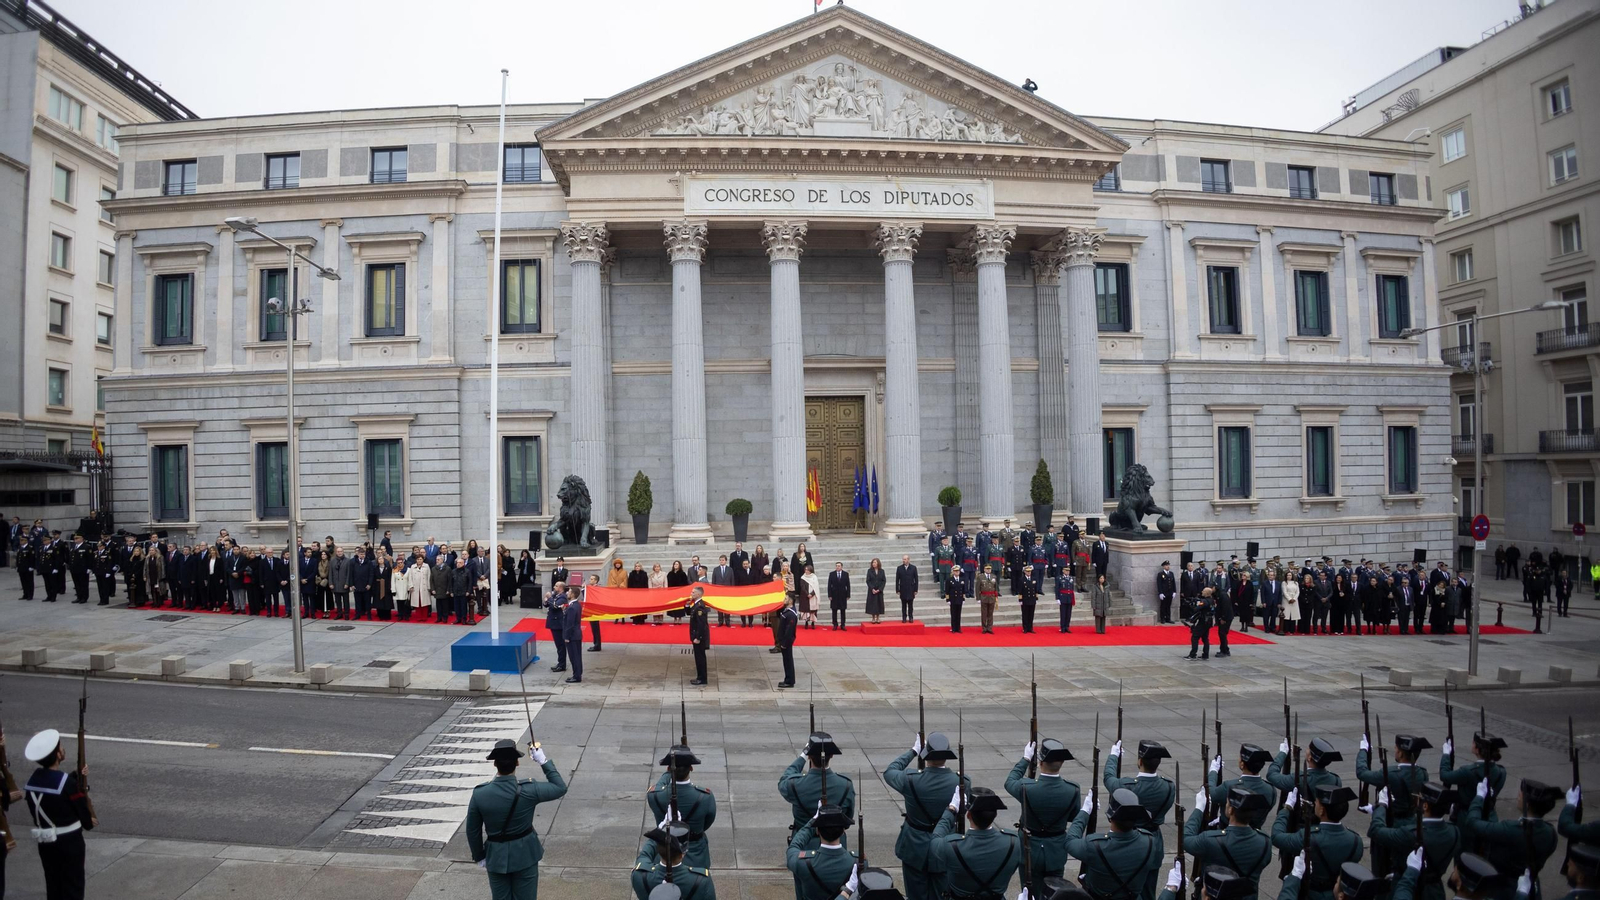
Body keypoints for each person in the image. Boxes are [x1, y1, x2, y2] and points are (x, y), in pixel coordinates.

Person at [466, 738, 567, 900]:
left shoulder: (480, 794)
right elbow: (560, 787)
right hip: (525, 854)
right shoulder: (529, 790)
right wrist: (543, 761)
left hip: (496, 857)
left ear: (495, 764)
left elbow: (472, 830)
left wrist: (479, 856)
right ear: (517, 764)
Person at [884, 733, 968, 900]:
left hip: (914, 848)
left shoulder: (911, 780)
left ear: (926, 755)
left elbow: (890, 771)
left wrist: (913, 751)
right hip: (945, 846)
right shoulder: (961, 782)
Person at [23, 728, 95, 900]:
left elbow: (53, 790)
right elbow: (84, 815)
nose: (63, 750)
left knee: (54, 886)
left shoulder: (32, 782)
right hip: (69, 843)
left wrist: (76, 776)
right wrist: (89, 820)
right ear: (57, 755)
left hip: (46, 842)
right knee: (73, 888)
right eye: (60, 747)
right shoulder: (67, 784)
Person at [1461, 778, 1560, 896]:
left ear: (1527, 805)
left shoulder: (1511, 829)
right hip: (1532, 889)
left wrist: (1479, 797)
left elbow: (1473, 823)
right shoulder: (1551, 833)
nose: (1518, 797)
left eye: (1520, 795)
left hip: (1504, 890)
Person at [1105, 739, 1176, 899]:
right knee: (1148, 890)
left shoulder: (1127, 785)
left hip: (1130, 840)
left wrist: (1113, 756)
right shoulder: (1168, 787)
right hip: (1154, 842)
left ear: (1139, 761)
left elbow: (1108, 778)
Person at [1066, 788, 1162, 900]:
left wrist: (1085, 812)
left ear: (1110, 817)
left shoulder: (1095, 846)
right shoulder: (1149, 841)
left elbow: (1070, 841)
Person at [1007, 739, 1082, 883]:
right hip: (1056, 852)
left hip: (1029, 850)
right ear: (1061, 764)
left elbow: (1010, 781)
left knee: (1029, 893)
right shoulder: (1072, 789)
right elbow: (1073, 817)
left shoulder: (1026, 788)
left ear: (1040, 763)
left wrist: (1025, 759)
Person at [1272, 784, 1363, 899]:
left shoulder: (1308, 837)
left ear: (1321, 810)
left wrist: (1287, 808)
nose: (1314, 803)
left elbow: (1276, 837)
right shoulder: (1356, 840)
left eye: (1317, 802)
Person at [779, 732, 857, 865]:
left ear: (809, 757)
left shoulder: (795, 785)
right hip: (835, 844)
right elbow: (848, 819)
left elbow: (784, 779)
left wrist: (802, 756)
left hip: (804, 843)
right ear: (831, 755)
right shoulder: (846, 785)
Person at [930, 787, 1020, 900]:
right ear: (995, 815)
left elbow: (935, 840)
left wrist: (951, 810)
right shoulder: (1014, 842)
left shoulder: (951, 847)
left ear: (968, 815)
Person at [1186, 787, 1274, 900]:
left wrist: (1199, 808)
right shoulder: (1265, 842)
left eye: (1227, 803)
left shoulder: (1211, 840)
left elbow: (1187, 839)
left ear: (1231, 810)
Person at [1368, 781, 1458, 891]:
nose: (1417, 801)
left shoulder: (1410, 833)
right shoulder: (1454, 831)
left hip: (1411, 888)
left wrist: (1382, 805)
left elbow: (1376, 831)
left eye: (1419, 798)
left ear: (1425, 806)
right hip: (1435, 890)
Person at [788, 804, 857, 900]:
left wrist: (812, 822)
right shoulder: (858, 863)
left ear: (817, 831)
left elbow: (793, 847)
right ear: (842, 832)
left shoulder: (802, 864)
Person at [687, 586, 710, 685]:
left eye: (693, 592)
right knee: (698, 657)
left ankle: (702, 678)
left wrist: (698, 637)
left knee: (700, 658)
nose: (691, 594)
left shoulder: (700, 606)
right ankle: (700, 677)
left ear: (698, 594)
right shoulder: (696, 604)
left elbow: (701, 624)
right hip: (696, 635)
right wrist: (687, 605)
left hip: (699, 636)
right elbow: (690, 613)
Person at [775, 592, 798, 689]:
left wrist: (784, 643)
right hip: (784, 641)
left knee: (788, 661)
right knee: (786, 661)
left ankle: (789, 681)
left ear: (791, 601)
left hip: (786, 642)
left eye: (786, 598)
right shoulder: (787, 611)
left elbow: (789, 631)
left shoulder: (791, 614)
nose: (784, 599)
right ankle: (787, 679)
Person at [546, 582, 570, 673]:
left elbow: (555, 606)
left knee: (560, 645)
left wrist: (549, 598)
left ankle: (562, 664)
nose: (554, 587)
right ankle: (560, 663)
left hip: (558, 624)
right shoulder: (556, 596)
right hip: (554, 623)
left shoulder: (562, 597)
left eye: (556, 586)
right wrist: (547, 600)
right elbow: (547, 605)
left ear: (560, 588)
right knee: (558, 645)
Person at [1188, 587, 1215, 660]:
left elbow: (1196, 609)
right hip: (1209, 621)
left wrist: (1191, 605)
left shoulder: (1204, 601)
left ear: (1206, 593)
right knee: (1205, 638)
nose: (1202, 592)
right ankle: (1205, 654)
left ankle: (1193, 654)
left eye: (1203, 591)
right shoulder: (1212, 600)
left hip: (1203, 621)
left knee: (1195, 637)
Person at [450, 556, 475, 625]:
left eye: (460, 563)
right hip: (455, 591)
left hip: (464, 592)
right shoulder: (453, 571)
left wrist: (468, 591)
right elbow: (450, 582)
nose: (458, 564)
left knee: (463, 606)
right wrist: (451, 591)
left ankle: (464, 619)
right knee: (456, 606)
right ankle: (458, 618)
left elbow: (470, 582)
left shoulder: (467, 571)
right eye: (457, 563)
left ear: (463, 564)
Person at [827, 562, 852, 631]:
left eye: (839, 566)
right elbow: (829, 585)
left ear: (841, 567)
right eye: (836, 566)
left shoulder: (845, 574)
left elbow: (848, 585)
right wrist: (829, 595)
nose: (837, 567)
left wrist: (848, 595)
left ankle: (843, 624)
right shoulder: (832, 574)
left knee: (843, 610)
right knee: (834, 610)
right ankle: (835, 624)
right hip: (834, 594)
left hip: (843, 595)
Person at [711, 555, 734, 627]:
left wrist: (732, 590)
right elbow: (713, 581)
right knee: (719, 607)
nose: (721, 561)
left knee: (727, 607)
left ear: (726, 561)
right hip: (719, 591)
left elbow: (732, 580)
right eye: (720, 560)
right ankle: (720, 621)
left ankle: (727, 621)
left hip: (727, 591)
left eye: (723, 560)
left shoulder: (730, 569)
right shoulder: (716, 569)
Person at [1214, 576, 1235, 656]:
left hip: (1226, 617)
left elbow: (1226, 608)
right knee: (1222, 633)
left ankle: (1225, 650)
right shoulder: (1219, 594)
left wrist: (1223, 618)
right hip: (1224, 617)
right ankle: (1224, 649)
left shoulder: (1223, 595)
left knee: (1222, 633)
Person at [977, 565, 1000, 634]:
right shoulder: (980, 577)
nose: (988, 570)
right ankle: (984, 628)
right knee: (984, 614)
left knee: (990, 614)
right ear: (984, 569)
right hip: (984, 597)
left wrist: (996, 596)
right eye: (987, 569)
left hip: (992, 597)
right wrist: (978, 598)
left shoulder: (994, 576)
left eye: (989, 569)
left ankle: (989, 628)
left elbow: (996, 587)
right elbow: (977, 588)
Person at [895, 555, 918, 624]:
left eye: (905, 559)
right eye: (903, 559)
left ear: (908, 560)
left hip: (911, 589)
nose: (904, 560)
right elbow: (897, 580)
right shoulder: (899, 568)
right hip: (903, 589)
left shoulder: (913, 568)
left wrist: (916, 590)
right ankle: (904, 617)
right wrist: (897, 589)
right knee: (903, 605)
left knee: (910, 605)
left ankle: (910, 617)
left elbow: (916, 579)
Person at [944, 565, 966, 633]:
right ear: (953, 572)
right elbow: (947, 590)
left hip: (959, 598)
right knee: (953, 614)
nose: (957, 572)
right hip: (953, 599)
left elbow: (963, 590)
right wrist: (948, 599)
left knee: (958, 614)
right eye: (955, 571)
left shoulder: (962, 579)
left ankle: (958, 628)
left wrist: (963, 598)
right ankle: (953, 628)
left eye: (958, 571)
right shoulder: (949, 580)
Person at [864, 558, 886, 625]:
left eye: (875, 562)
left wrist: (879, 589)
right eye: (873, 562)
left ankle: (878, 617)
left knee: (879, 604)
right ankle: (873, 618)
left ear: (878, 563)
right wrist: (872, 588)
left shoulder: (882, 571)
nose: (874, 564)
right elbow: (868, 580)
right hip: (872, 591)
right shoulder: (870, 571)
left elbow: (883, 581)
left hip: (879, 590)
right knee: (873, 604)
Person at [1019, 566, 1040, 634]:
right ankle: (1025, 628)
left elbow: (1036, 589)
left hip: (1032, 599)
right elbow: (1020, 590)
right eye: (1027, 571)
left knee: (1031, 614)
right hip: (1025, 599)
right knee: (1025, 614)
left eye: (1030, 571)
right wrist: (1020, 600)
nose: (1029, 572)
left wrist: (1036, 598)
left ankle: (1030, 628)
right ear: (1024, 572)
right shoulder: (1022, 579)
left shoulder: (1034, 579)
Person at [1156, 561, 1177, 625]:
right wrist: (1160, 593)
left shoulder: (1171, 573)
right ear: (1163, 566)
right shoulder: (1160, 574)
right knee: (1163, 606)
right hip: (1164, 593)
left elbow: (1173, 583)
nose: (1168, 566)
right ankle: (1162, 618)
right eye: (1166, 565)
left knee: (1168, 606)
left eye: (1168, 565)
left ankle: (1168, 618)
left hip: (1170, 592)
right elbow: (1159, 584)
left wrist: (1174, 591)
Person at [801, 565, 821, 630]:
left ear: (810, 570)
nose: (806, 571)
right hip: (806, 596)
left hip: (813, 596)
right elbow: (802, 587)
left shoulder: (814, 577)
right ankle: (806, 622)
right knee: (806, 610)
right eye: (805, 570)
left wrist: (812, 594)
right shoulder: (803, 577)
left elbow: (816, 587)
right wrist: (807, 594)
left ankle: (813, 622)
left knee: (813, 610)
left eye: (807, 570)